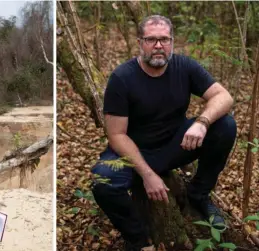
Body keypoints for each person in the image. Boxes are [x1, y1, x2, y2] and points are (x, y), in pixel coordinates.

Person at [91, 15, 236, 251]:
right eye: (151, 39)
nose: (158, 46)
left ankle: (198, 194)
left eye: (164, 39)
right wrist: (148, 175)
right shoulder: (122, 78)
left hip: (174, 145)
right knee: (103, 181)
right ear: (140, 42)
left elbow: (224, 97)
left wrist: (202, 122)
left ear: (172, 42)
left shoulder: (185, 67)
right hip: (133, 150)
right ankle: (137, 239)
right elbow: (116, 135)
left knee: (225, 126)